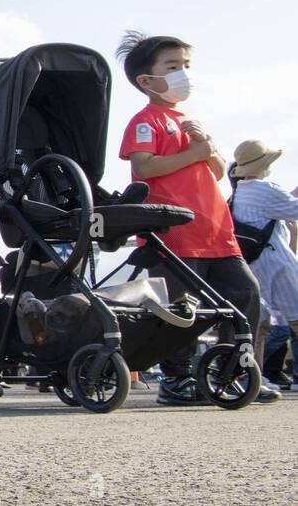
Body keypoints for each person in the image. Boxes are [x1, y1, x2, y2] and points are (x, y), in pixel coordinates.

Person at [115, 31, 277, 405]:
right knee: (181, 310)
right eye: (173, 67)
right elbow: (145, 167)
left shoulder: (190, 120)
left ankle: (234, 371)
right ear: (146, 80)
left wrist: (208, 147)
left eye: (185, 66)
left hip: (218, 233)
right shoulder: (146, 121)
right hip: (175, 234)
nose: (183, 74)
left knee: (245, 295)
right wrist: (197, 151)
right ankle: (176, 380)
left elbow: (219, 171)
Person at [228, 140, 298, 389]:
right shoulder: (265, 187)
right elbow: (293, 209)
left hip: (254, 266)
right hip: (277, 264)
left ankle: (254, 377)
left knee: (259, 326)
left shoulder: (240, 193)